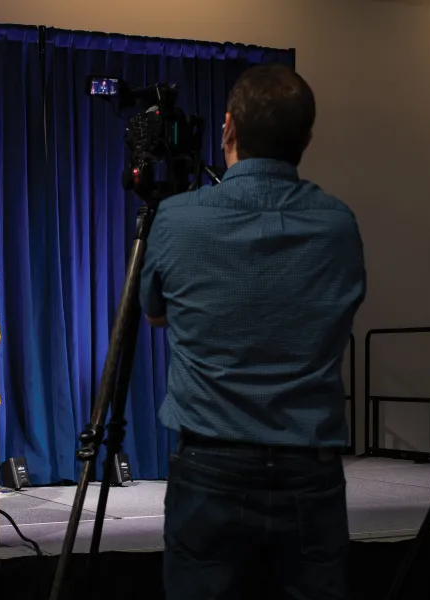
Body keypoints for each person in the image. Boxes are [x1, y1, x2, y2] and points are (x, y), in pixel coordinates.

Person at [139, 63, 367, 600]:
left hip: (209, 467)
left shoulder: (177, 218)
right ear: (306, 139)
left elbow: (154, 313)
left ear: (228, 128)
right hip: (310, 471)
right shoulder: (338, 224)